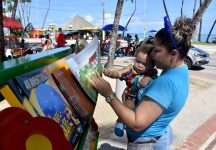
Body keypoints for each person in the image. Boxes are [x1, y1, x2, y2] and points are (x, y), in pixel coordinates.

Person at [90, 16, 195, 150]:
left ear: (173, 54)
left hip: (146, 142)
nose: (152, 55)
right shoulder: (179, 70)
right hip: (159, 135)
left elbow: (136, 123)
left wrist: (109, 94)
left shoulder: (167, 82)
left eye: (156, 51)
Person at [103, 44, 157, 137]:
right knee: (128, 105)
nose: (140, 65)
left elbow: (157, 84)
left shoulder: (152, 73)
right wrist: (111, 73)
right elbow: (119, 73)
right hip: (131, 97)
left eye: (144, 64)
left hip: (144, 102)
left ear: (152, 65)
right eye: (138, 61)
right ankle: (120, 122)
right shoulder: (130, 69)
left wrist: (148, 79)